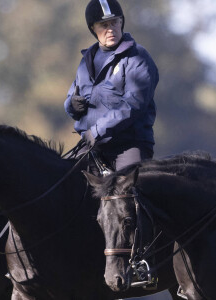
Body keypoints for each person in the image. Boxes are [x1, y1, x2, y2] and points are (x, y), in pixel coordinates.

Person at [64, 0, 159, 174]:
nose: (111, 29)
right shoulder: (86, 62)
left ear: (121, 22)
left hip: (129, 146)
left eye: (115, 22)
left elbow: (132, 105)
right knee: (64, 182)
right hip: (93, 146)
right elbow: (71, 97)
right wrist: (72, 105)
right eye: (104, 25)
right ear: (93, 28)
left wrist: (97, 132)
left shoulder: (138, 58)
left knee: (126, 193)